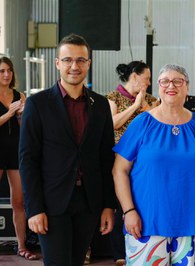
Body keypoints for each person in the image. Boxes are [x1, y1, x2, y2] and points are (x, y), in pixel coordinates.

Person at [19, 33, 116, 265]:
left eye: (81, 60)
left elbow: (106, 159)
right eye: (68, 60)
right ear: (57, 64)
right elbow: (28, 159)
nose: (74, 66)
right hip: (52, 203)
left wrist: (107, 205)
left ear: (89, 64)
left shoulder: (100, 104)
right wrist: (34, 209)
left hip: (89, 203)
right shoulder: (38, 104)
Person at [112, 64, 195, 265]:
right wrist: (128, 211)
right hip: (146, 223)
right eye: (165, 81)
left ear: (187, 88)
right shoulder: (142, 123)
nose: (172, 86)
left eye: (178, 81)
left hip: (191, 223)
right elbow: (119, 170)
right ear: (158, 87)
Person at [104, 60, 158, 266]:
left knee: (141, 203)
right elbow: (112, 123)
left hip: (144, 162)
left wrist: (147, 108)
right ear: (134, 77)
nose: (149, 83)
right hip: (119, 160)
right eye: (147, 79)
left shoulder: (152, 100)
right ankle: (119, 254)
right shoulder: (113, 98)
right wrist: (136, 107)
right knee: (120, 205)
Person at [0, 57, 38, 260]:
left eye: (9, 71)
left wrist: (22, 115)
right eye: (2, 71)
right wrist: (10, 112)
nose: (6, 74)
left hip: (15, 152)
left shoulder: (19, 95)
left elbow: (24, 129)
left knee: (19, 201)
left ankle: (22, 246)